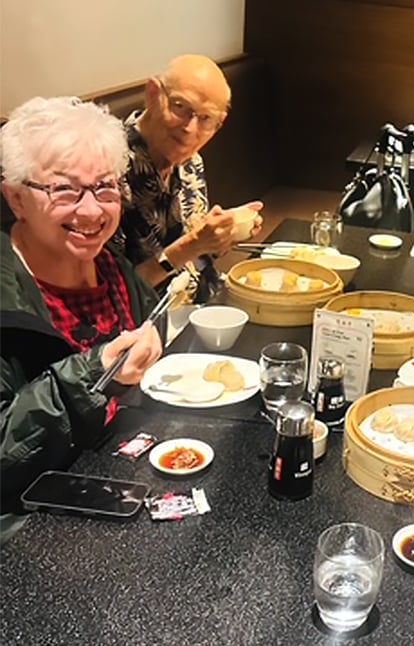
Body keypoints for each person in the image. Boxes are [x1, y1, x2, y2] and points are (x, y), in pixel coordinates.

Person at [0, 97, 164, 540]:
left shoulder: (110, 264)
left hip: (115, 479)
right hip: (32, 524)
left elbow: (152, 336)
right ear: (15, 197)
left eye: (105, 187)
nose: (92, 212)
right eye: (65, 190)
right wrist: (95, 374)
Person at [111, 54, 263, 297]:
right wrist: (193, 245)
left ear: (219, 123)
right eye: (180, 107)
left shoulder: (191, 161)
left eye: (205, 119)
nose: (190, 129)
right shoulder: (108, 172)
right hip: (150, 323)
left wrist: (220, 236)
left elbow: (196, 253)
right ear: (153, 94)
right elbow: (115, 296)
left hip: (206, 301)